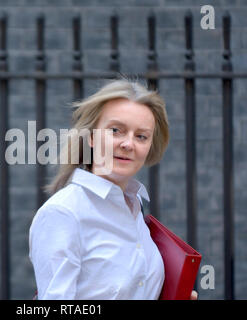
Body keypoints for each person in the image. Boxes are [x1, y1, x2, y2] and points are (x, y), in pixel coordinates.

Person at [29, 78, 198, 300]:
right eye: (116, 130)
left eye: (141, 136)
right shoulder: (63, 213)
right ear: (91, 137)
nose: (128, 144)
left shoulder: (134, 207)